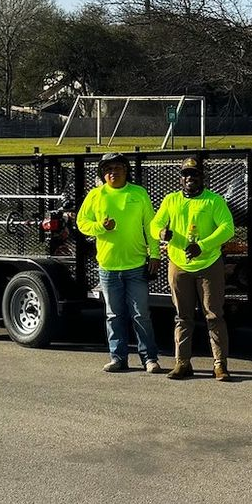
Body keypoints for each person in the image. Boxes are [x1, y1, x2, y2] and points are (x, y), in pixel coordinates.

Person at [152, 156, 237, 381]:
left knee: (214, 315)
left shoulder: (213, 201)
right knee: (182, 316)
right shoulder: (171, 200)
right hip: (179, 264)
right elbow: (155, 224)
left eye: (194, 174)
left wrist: (203, 246)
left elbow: (228, 228)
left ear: (202, 177)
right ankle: (182, 363)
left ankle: (220, 364)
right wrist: (161, 233)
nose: (190, 178)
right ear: (181, 178)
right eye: (186, 174)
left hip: (209, 264)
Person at [76, 154, 161, 373]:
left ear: (126, 170)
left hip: (135, 264)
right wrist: (101, 227)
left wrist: (155, 255)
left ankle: (149, 359)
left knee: (141, 314)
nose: (113, 172)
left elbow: (151, 227)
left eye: (118, 167)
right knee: (114, 315)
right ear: (102, 173)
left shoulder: (138, 193)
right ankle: (118, 357)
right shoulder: (96, 195)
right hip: (108, 266)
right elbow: (82, 223)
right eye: (108, 168)